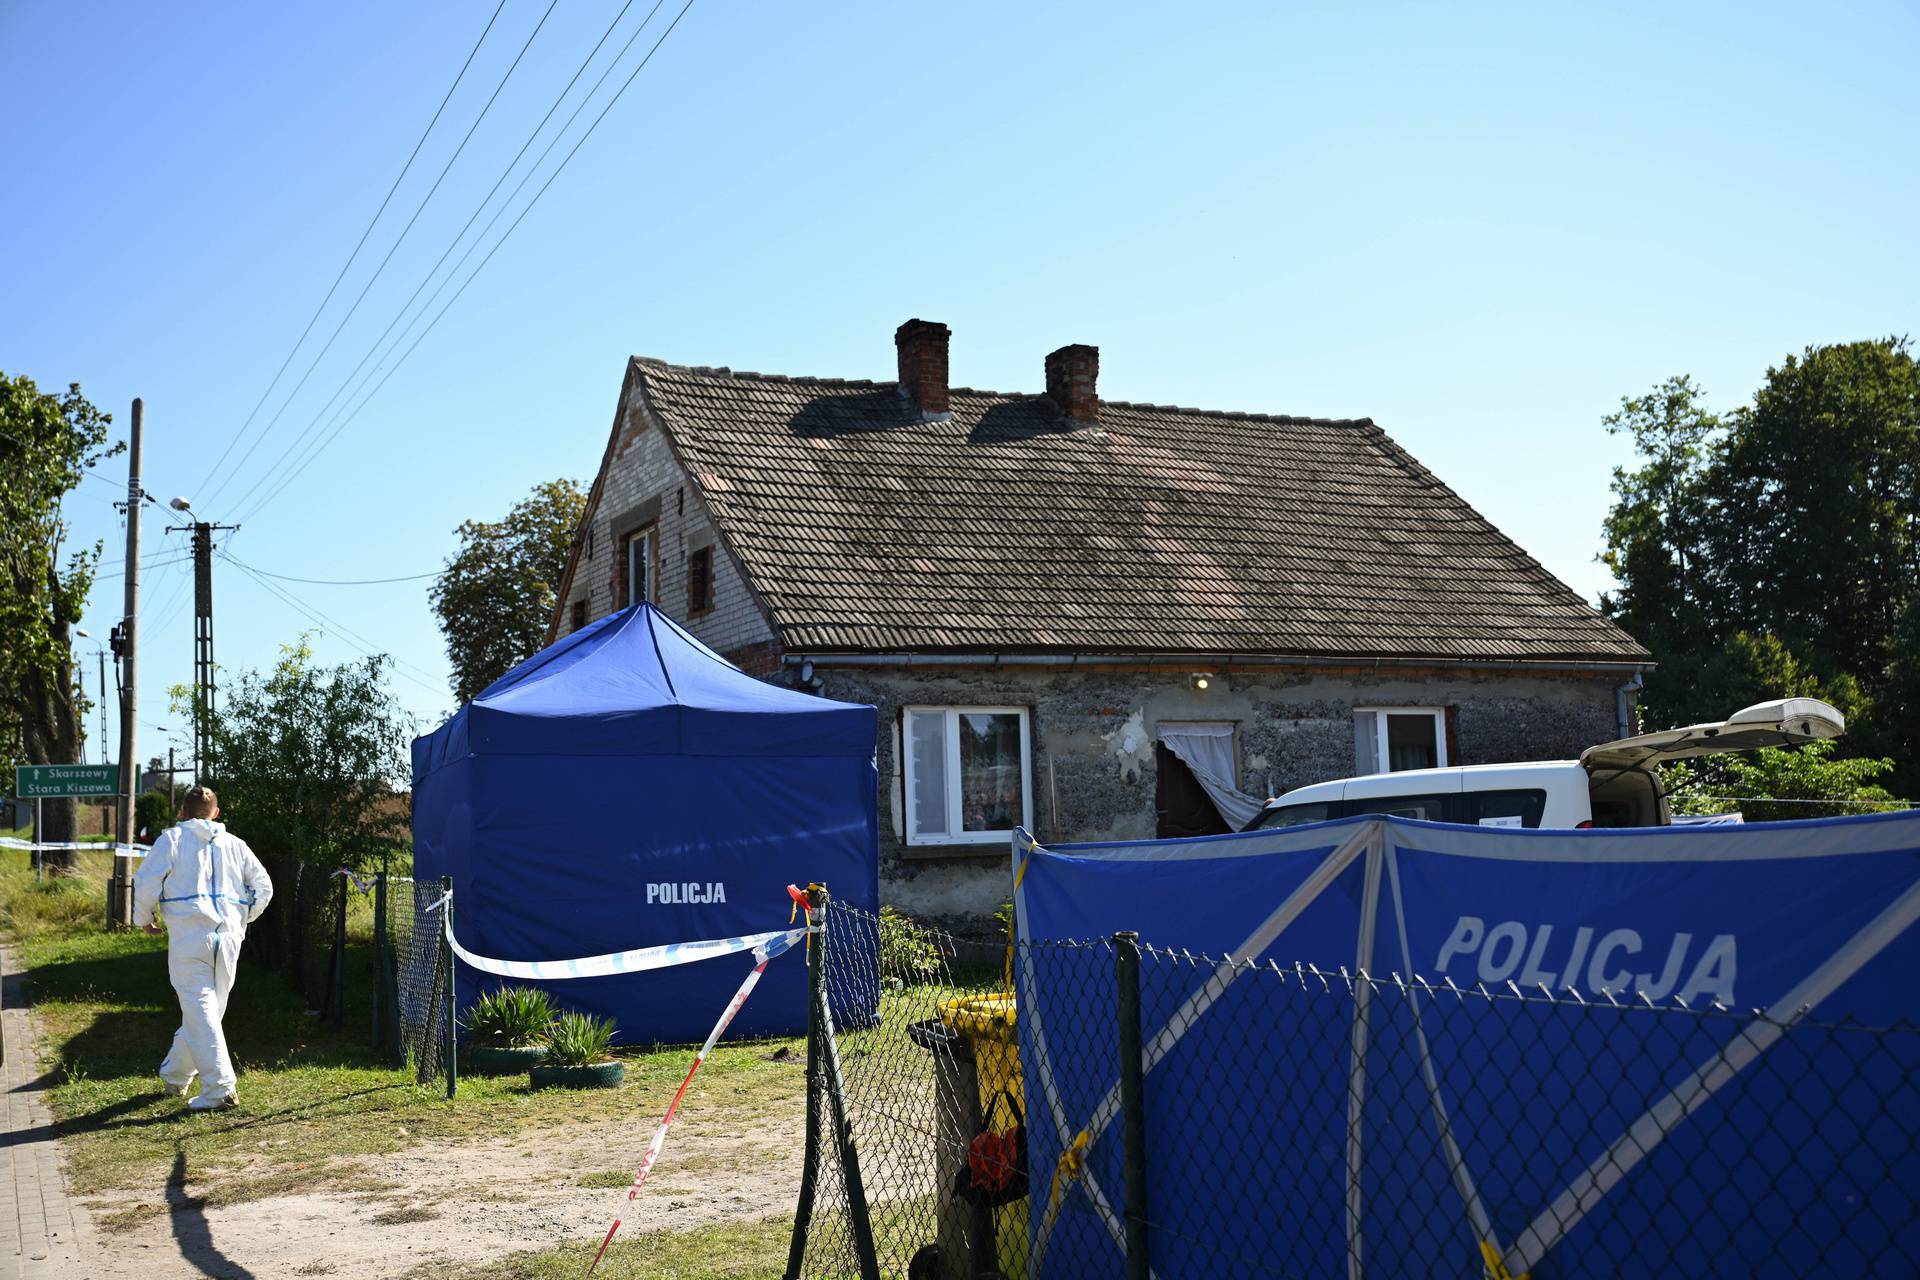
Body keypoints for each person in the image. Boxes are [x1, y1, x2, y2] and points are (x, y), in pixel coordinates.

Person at [131, 785, 273, 1111]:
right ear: (217, 813)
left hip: (189, 937)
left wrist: (144, 918)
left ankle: (220, 1089)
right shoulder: (236, 845)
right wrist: (243, 918)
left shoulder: (172, 840)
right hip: (228, 940)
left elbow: (146, 881)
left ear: (182, 812)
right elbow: (264, 887)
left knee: (203, 1012)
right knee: (205, 1013)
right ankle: (175, 1076)